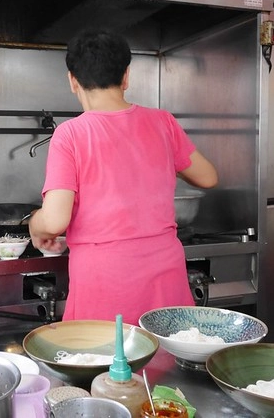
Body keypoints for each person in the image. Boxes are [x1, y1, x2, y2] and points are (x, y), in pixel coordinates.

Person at [28, 28, 218, 325]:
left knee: (107, 365)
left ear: (72, 81)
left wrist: (36, 229)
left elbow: (54, 221)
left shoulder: (71, 134)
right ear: (126, 76)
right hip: (164, 276)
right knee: (165, 365)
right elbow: (207, 177)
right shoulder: (162, 123)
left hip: (105, 282)